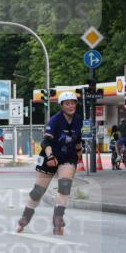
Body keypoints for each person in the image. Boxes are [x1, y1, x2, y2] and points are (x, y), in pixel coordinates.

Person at [16, 90, 82, 235]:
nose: (71, 106)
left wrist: (79, 153)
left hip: (67, 157)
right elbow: (46, 141)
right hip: (49, 156)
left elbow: (77, 139)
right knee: (38, 192)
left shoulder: (78, 119)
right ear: (62, 106)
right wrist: (51, 157)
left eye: (73, 103)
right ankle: (25, 218)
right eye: (67, 104)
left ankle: (58, 218)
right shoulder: (55, 120)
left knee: (65, 185)